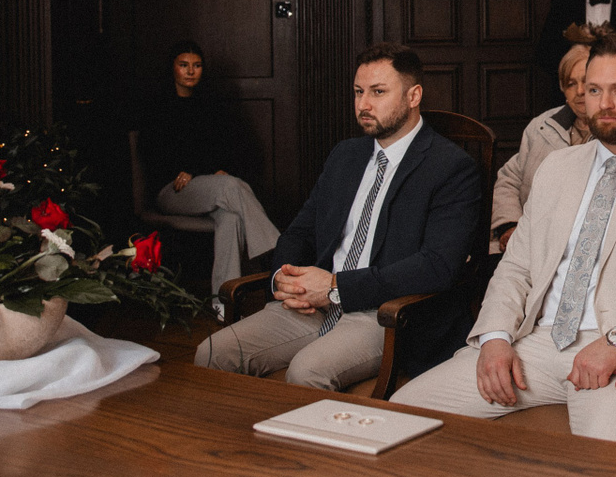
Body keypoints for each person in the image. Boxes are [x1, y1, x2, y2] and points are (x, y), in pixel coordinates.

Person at [393, 32, 616, 443]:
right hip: (537, 343)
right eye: (594, 90)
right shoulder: (557, 166)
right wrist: (496, 337)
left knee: (604, 453)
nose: (604, 103)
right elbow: (516, 266)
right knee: (402, 415)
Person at [195, 44, 482, 390]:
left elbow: (437, 266)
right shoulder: (345, 155)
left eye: (378, 92)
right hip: (312, 305)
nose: (363, 105)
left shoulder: (451, 167)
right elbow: (299, 233)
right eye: (359, 92)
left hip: (383, 314)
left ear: (413, 96)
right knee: (212, 352)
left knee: (305, 372)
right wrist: (285, 280)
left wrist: (335, 288)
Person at [138, 40, 280, 294]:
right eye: (184, 65)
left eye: (197, 65)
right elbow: (155, 155)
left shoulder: (209, 107)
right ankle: (279, 253)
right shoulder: (157, 107)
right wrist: (191, 169)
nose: (191, 71)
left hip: (207, 189)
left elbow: (224, 150)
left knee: (230, 218)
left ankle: (223, 300)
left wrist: (208, 169)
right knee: (230, 186)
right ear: (173, 68)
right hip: (172, 191)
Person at [490, 36, 594, 250]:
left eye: (587, 82)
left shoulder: (615, 133)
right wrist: (511, 225)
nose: (580, 91)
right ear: (563, 90)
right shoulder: (542, 126)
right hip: (527, 239)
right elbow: (509, 179)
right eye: (571, 84)